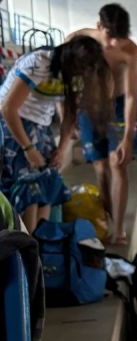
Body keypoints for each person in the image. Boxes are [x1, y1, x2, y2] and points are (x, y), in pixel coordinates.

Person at [0, 37, 112, 233]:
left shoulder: (78, 75)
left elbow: (69, 115)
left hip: (39, 126)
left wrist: (62, 149)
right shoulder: (39, 62)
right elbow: (8, 108)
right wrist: (28, 149)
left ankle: (40, 244)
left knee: (47, 185)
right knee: (28, 189)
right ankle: (26, 246)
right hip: (11, 124)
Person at [69, 3, 137, 246]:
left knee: (117, 164)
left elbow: (132, 96)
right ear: (99, 27)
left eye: (119, 38)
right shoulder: (82, 37)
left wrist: (127, 138)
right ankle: (108, 219)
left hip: (118, 107)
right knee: (100, 167)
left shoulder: (130, 51)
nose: (113, 44)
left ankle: (119, 229)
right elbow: (64, 53)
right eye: (110, 37)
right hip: (90, 107)